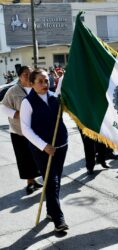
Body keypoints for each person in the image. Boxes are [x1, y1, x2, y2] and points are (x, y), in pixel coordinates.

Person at [20, 68, 69, 232]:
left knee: (56, 181)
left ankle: (50, 211)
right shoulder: (27, 102)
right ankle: (58, 219)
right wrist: (44, 146)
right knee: (51, 182)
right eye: (40, 81)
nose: (44, 84)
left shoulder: (55, 98)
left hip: (61, 145)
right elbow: (25, 129)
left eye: (46, 80)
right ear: (31, 83)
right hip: (42, 150)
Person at [0, 66, 42, 195]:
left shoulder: (37, 88)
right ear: (19, 76)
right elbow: (3, 107)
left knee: (37, 157)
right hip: (19, 131)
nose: (28, 76)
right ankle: (30, 182)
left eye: (30, 73)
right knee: (25, 158)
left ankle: (36, 179)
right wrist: (16, 114)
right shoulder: (13, 91)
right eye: (25, 74)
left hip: (36, 130)